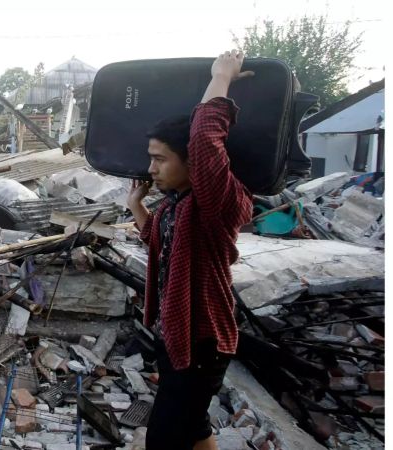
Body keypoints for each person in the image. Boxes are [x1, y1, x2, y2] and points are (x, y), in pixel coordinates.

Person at [125, 50, 255, 450]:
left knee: (164, 436)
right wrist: (137, 208)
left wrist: (221, 77)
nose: (151, 169)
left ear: (192, 162)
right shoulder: (174, 203)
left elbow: (203, 138)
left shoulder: (213, 203)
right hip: (177, 337)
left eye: (160, 159)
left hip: (202, 341)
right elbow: (161, 248)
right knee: (193, 425)